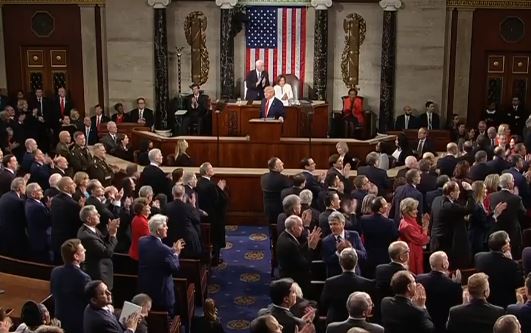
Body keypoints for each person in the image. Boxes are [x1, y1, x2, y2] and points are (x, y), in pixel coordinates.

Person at [138, 214, 185, 315]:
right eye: (164, 226)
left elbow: (155, 255)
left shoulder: (142, 241)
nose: (167, 227)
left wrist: (171, 250)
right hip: (163, 295)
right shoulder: (163, 250)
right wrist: (176, 253)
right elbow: (175, 268)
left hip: (146, 290)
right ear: (158, 231)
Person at [320, 248, 375, 324]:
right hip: (359, 323)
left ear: (340, 262)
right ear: (356, 262)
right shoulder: (367, 283)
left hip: (335, 321)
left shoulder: (330, 282)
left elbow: (324, 303)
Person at [430, 180, 474, 268]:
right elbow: (469, 209)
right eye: (457, 190)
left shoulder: (436, 199)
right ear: (451, 193)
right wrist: (470, 192)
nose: (459, 192)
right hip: (444, 241)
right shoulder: (449, 206)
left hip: (436, 238)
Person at [50, 239, 91, 333]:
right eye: (82, 250)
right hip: (77, 324)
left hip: (59, 320)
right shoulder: (84, 277)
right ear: (76, 256)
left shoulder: (55, 272)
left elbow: (53, 294)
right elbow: (89, 302)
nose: (85, 250)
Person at [474, 231, 523, 309]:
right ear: (504, 247)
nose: (510, 243)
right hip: (505, 304)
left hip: (487, 301)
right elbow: (519, 283)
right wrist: (510, 260)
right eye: (508, 241)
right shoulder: (512, 265)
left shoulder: (479, 257)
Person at [416, 251, 462, 333]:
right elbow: (458, 305)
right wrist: (457, 285)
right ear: (444, 265)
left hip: (423, 323)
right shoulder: (452, 285)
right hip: (443, 326)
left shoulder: (419, 279)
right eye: (447, 259)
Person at [77, 204, 119, 290]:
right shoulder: (87, 236)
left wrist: (110, 232)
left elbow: (103, 242)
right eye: (96, 214)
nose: (99, 215)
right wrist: (113, 235)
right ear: (88, 219)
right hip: (98, 274)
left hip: (102, 271)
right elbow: (107, 252)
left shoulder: (92, 228)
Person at [276, 215, 321, 293]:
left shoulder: (285, 235)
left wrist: (308, 243)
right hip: (294, 279)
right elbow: (305, 264)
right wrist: (311, 248)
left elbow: (298, 250)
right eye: (300, 226)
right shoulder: (289, 244)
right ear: (293, 228)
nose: (303, 228)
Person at [197, 162, 228, 265]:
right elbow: (219, 202)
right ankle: (216, 259)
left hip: (202, 216)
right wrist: (221, 189)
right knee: (216, 239)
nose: (213, 169)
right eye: (211, 168)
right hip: (214, 217)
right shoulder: (211, 185)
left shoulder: (198, 183)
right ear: (206, 171)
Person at [489, 173, 527, 259]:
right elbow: (523, 213)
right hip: (513, 233)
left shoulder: (492, 196)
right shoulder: (516, 198)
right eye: (513, 180)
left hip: (496, 232)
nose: (514, 182)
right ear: (509, 184)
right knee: (515, 256)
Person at [321, 211, 366, 277]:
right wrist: (338, 253)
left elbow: (364, 255)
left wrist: (351, 249)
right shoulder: (326, 241)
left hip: (354, 276)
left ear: (343, 224)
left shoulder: (354, 235)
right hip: (335, 278)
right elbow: (326, 261)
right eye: (330, 224)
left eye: (335, 224)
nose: (332, 227)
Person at [469, 181, 507, 254]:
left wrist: (495, 212)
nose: (486, 190)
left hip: (479, 238)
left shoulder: (479, 204)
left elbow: (484, 219)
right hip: (477, 239)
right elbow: (485, 224)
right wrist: (496, 214)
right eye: (484, 188)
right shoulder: (477, 207)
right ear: (479, 191)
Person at [165, 184, 202, 258]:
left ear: (172, 193)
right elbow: (197, 220)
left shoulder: (166, 207)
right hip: (188, 241)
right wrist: (193, 205)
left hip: (170, 239)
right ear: (183, 194)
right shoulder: (188, 207)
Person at [398, 198, 428, 274]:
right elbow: (421, 240)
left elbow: (418, 229)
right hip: (413, 254)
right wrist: (426, 228)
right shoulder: (407, 226)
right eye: (414, 209)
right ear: (407, 211)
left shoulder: (409, 220)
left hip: (416, 251)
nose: (417, 211)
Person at [0, 177, 28, 258]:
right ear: (20, 187)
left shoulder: (4, 196)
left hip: (3, 232)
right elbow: (22, 220)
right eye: (24, 186)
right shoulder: (18, 201)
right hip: (13, 236)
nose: (25, 188)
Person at [25, 182, 52, 262]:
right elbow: (47, 222)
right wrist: (50, 209)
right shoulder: (37, 207)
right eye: (40, 190)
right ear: (33, 194)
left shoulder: (29, 202)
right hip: (41, 240)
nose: (42, 191)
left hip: (35, 237)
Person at [261, 157, 291, 223]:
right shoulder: (283, 179)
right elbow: (290, 188)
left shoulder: (263, 177)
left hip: (267, 208)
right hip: (279, 208)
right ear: (275, 167)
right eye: (280, 163)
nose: (283, 163)